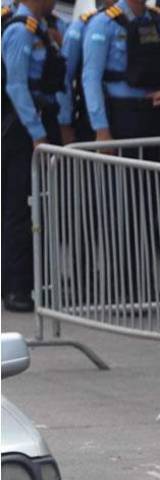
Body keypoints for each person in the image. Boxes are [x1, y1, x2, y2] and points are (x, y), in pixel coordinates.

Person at [2, 0, 69, 313]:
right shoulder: (19, 31)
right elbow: (16, 87)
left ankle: (30, 282)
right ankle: (16, 288)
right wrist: (36, 132)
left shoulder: (43, 29)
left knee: (38, 209)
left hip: (41, 123)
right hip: (21, 132)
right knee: (17, 209)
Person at [81, 0, 160, 160]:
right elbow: (91, 78)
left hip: (154, 115)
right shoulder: (104, 23)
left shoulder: (157, 21)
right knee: (122, 181)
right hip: (122, 115)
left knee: (151, 180)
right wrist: (102, 130)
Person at [61, 0, 116, 143]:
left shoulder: (141, 22)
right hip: (92, 119)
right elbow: (64, 78)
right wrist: (65, 123)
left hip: (127, 117)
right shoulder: (82, 26)